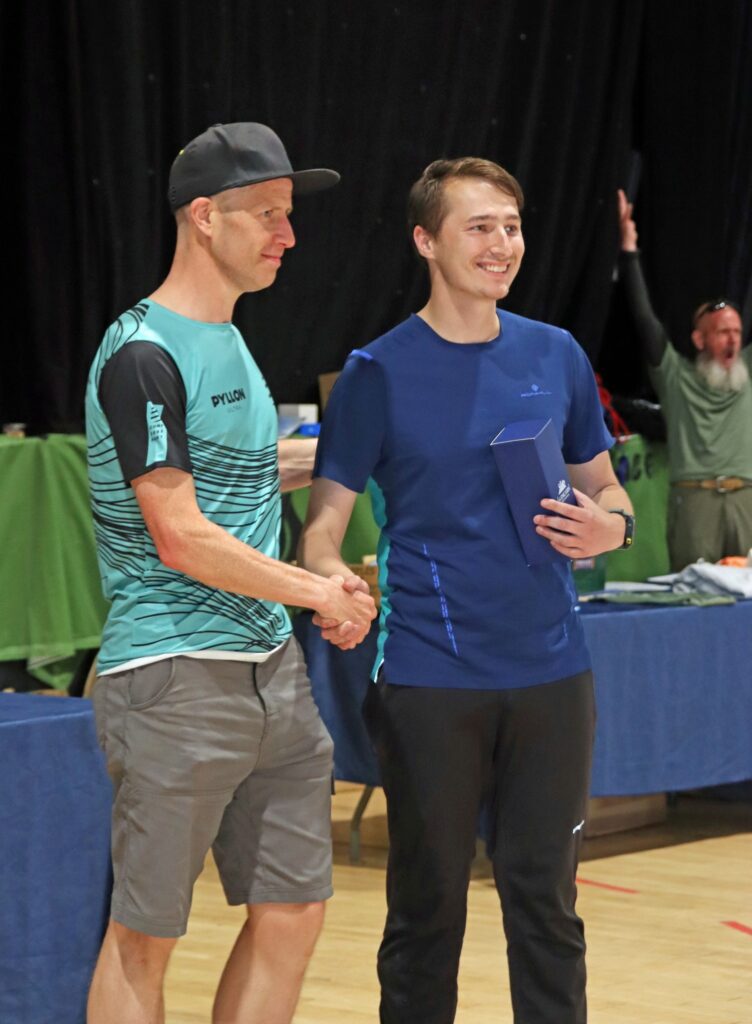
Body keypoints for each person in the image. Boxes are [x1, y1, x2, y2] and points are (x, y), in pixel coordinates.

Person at [299, 157, 634, 1024]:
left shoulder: (554, 353)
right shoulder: (376, 370)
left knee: (547, 907)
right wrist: (330, 576)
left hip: (554, 677)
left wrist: (612, 525)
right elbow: (324, 525)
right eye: (478, 227)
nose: (501, 244)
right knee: (427, 910)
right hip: (430, 680)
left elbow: (606, 488)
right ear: (425, 240)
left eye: (511, 226)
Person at [84, 122, 376, 1024]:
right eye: (268, 216)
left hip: (271, 676)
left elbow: (244, 469)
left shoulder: (230, 342)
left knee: (293, 911)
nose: (287, 236)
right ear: (205, 217)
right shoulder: (141, 352)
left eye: (289, 216)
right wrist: (318, 589)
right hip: (171, 676)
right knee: (145, 937)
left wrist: (357, 452)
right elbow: (180, 534)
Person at [617, 189, 750, 570]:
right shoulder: (676, 377)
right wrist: (629, 251)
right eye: (723, 331)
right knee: (693, 595)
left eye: (737, 331)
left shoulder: (748, 372)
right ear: (699, 338)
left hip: (747, 499)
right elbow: (645, 321)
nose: (733, 339)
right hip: (696, 502)